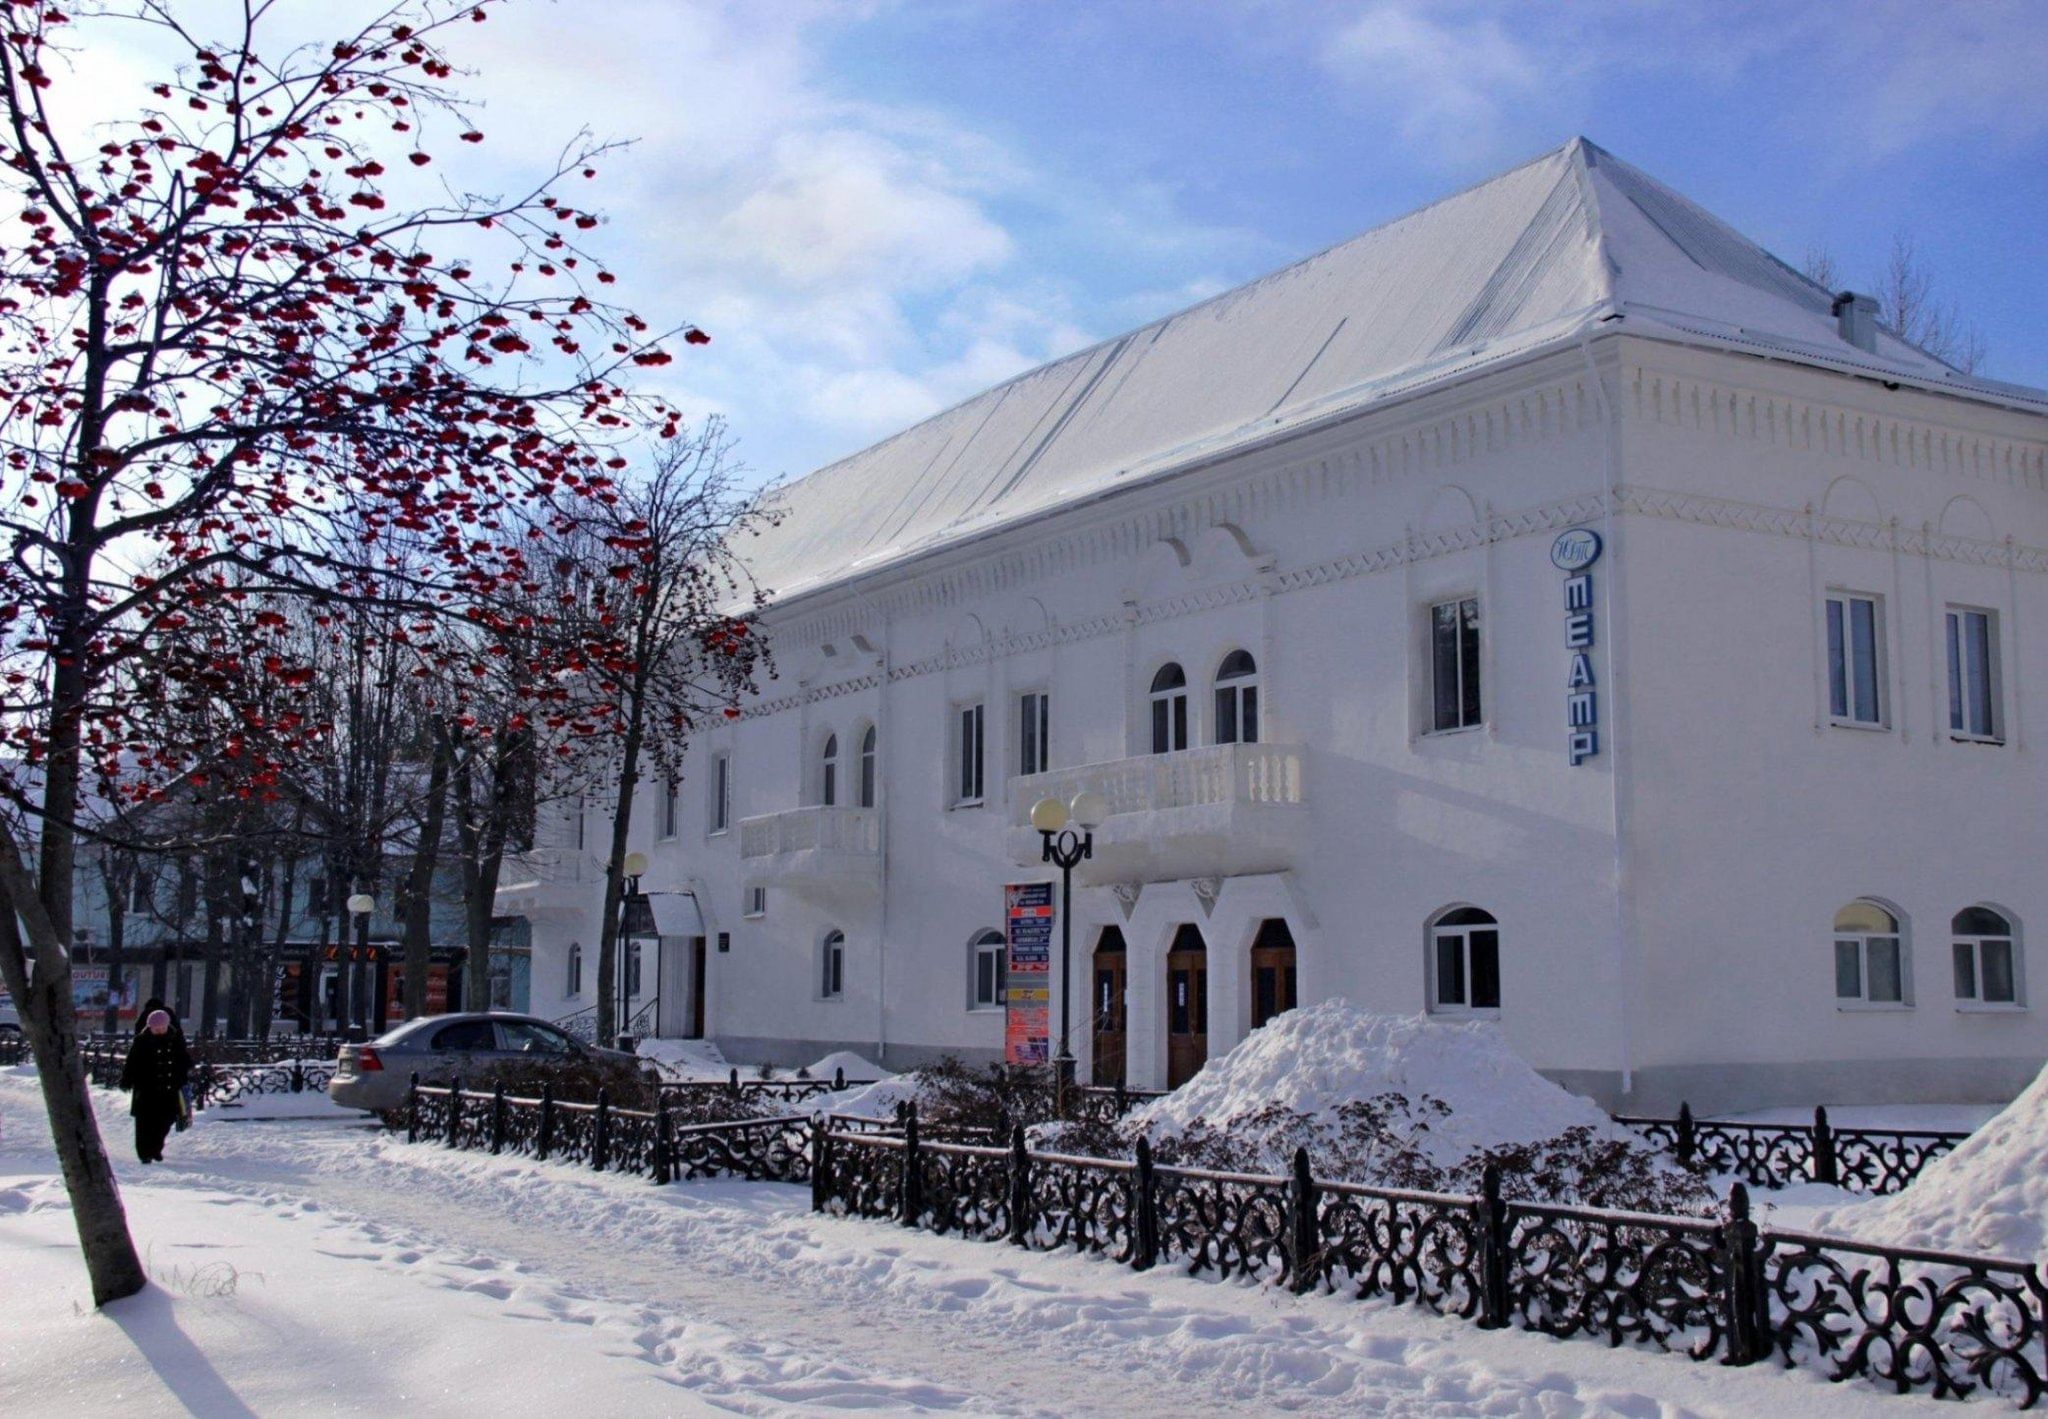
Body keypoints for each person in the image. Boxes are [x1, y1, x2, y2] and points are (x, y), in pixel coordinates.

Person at [120, 1009, 191, 1164]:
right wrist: (127, 1080)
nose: (159, 1032)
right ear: (150, 1028)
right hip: (147, 1090)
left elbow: (183, 1059)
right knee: (145, 1123)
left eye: (161, 1029)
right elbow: (132, 1062)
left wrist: (184, 1073)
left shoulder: (175, 1039)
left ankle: (156, 1148)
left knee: (165, 1121)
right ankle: (145, 1153)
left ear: (167, 1026)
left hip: (169, 1089)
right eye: (155, 1029)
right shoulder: (141, 1041)